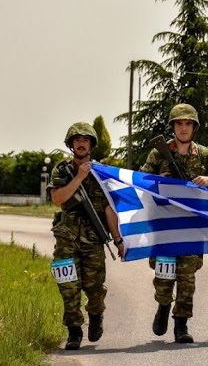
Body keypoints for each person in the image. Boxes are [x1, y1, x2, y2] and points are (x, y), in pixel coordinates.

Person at [141, 103, 208, 343]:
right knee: (165, 277)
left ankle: (181, 325)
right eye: (179, 123)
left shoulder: (204, 154)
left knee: (187, 280)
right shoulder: (158, 153)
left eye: (188, 124)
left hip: (192, 228)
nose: (184, 128)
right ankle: (164, 306)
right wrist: (157, 181)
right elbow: (140, 183)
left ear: (194, 127)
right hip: (165, 226)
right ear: (173, 126)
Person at [48, 122, 125, 350]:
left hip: (93, 239)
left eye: (85, 140)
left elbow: (108, 209)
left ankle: (96, 315)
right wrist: (79, 178)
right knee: (68, 285)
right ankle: (74, 331)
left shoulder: (102, 173)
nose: (81, 143)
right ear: (71, 144)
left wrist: (118, 240)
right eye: (77, 140)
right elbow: (58, 198)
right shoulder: (62, 171)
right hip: (66, 239)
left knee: (95, 288)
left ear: (91, 144)